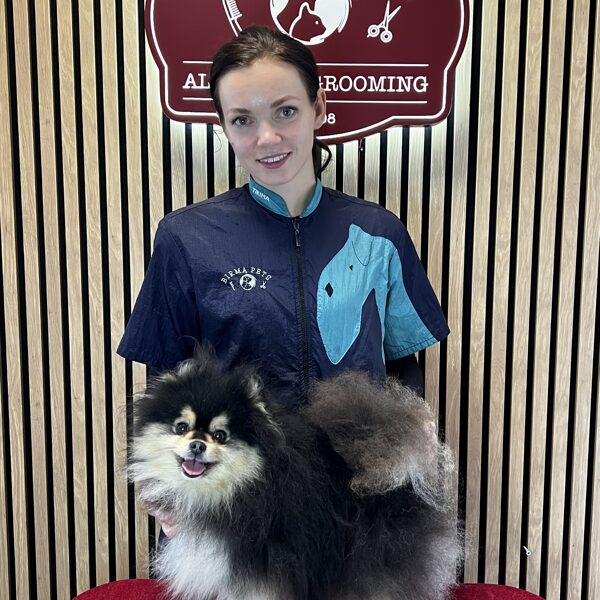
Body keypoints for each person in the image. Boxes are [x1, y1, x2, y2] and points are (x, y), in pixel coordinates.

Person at [118, 26, 449, 538]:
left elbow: (403, 366)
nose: (267, 138)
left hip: (355, 506)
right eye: (243, 120)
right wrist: (162, 491)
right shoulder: (186, 238)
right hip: (231, 510)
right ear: (224, 127)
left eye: (286, 111)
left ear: (319, 108)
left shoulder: (379, 234)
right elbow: (165, 379)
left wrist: (417, 441)